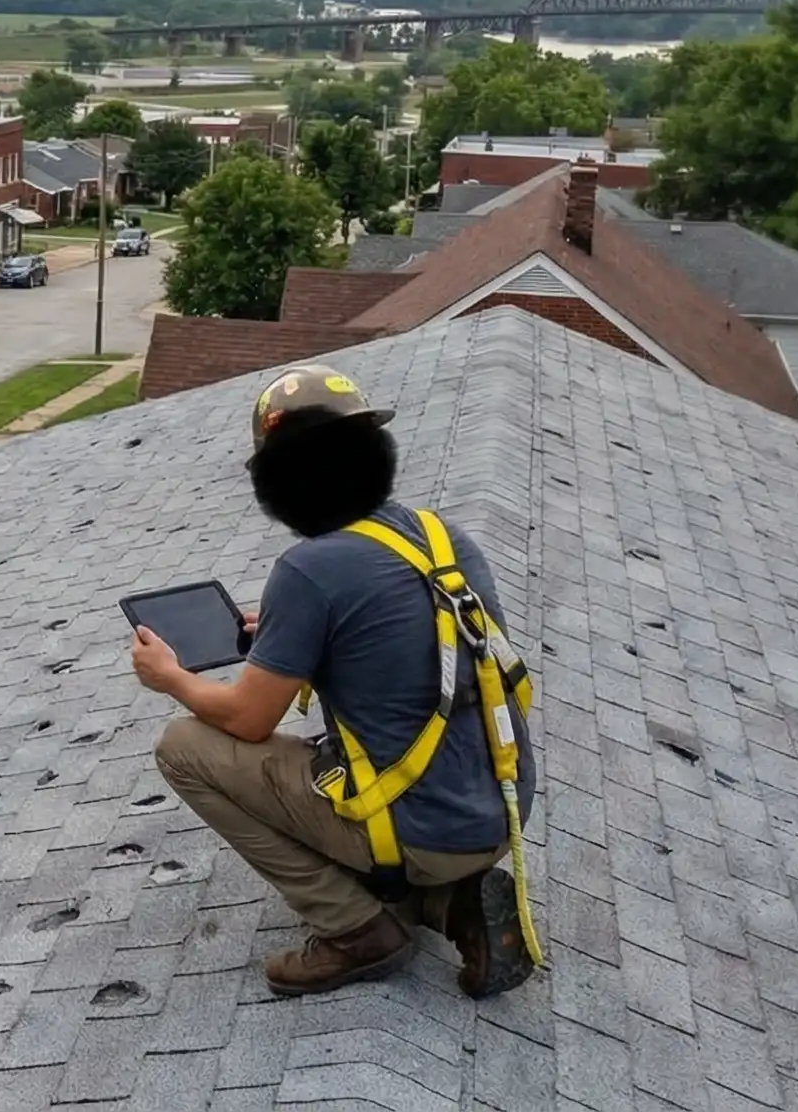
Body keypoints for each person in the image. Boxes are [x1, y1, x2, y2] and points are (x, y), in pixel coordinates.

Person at [130, 364, 539, 998]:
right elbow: (396, 633)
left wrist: (172, 676)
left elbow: (248, 719)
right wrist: (294, 628)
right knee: (344, 759)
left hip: (423, 825)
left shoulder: (311, 570)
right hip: (495, 808)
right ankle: (452, 905)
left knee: (183, 749)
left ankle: (355, 929)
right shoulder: (438, 534)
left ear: (284, 482)